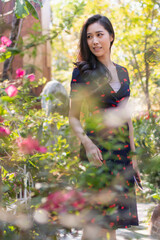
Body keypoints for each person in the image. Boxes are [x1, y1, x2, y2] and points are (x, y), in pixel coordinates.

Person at [69, 14, 141, 240]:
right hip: (97, 152)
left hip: (122, 155)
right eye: (89, 37)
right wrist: (88, 145)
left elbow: (127, 118)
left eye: (99, 35)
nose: (94, 41)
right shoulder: (82, 71)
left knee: (112, 225)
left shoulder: (123, 73)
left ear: (111, 36)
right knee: (94, 224)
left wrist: (134, 158)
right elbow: (73, 117)